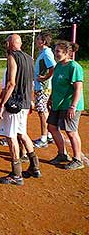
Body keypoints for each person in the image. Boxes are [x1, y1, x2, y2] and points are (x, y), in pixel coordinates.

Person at [0, 34, 41, 186]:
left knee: (11, 136)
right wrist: (31, 100)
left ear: (10, 43)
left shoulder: (12, 56)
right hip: (26, 102)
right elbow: (31, 82)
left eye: (6, 42)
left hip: (14, 103)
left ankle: (16, 174)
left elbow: (11, 83)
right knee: (22, 133)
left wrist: (2, 104)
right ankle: (35, 166)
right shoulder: (29, 58)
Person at [47, 41, 85, 170]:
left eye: (58, 51)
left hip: (69, 104)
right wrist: (51, 98)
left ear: (67, 53)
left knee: (71, 132)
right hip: (58, 103)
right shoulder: (58, 66)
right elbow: (56, 84)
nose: (55, 54)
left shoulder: (74, 67)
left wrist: (73, 106)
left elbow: (78, 88)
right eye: (55, 51)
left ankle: (77, 159)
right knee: (52, 127)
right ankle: (62, 154)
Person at [32, 32, 56, 148]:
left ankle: (43, 138)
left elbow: (53, 67)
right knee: (44, 110)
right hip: (40, 87)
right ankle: (49, 136)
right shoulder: (43, 53)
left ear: (43, 42)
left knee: (42, 112)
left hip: (43, 88)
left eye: (38, 39)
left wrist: (45, 78)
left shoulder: (46, 53)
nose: (36, 41)